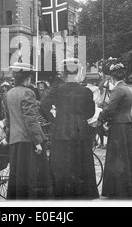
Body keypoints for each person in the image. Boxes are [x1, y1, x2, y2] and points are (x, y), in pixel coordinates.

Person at [41, 58, 98, 200]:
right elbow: (90, 113)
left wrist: (53, 120)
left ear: (64, 73)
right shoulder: (86, 91)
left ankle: (62, 194)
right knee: (81, 163)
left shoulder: (57, 89)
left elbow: (43, 106)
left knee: (61, 164)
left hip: (61, 130)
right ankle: (81, 194)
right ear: (78, 71)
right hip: (81, 131)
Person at [99, 60, 132, 199]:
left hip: (119, 126)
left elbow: (110, 108)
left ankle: (119, 190)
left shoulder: (117, 89)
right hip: (129, 124)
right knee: (130, 157)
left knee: (119, 157)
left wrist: (101, 118)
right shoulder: (127, 88)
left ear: (112, 77)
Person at [2, 62, 52, 200]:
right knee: (32, 176)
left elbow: (8, 120)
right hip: (28, 141)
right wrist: (37, 142)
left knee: (18, 175)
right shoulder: (28, 93)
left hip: (15, 141)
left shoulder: (8, 94)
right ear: (27, 78)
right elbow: (31, 120)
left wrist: (7, 138)